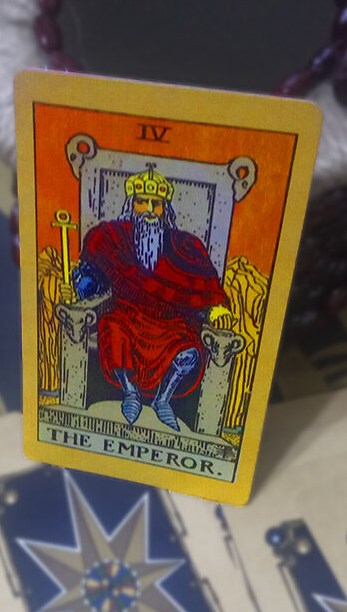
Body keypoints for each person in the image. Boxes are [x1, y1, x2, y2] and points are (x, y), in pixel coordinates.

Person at [70, 165, 231, 431]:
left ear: (165, 209)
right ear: (131, 205)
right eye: (142, 202)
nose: (149, 210)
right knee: (112, 327)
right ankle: (130, 393)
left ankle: (162, 400)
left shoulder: (185, 246)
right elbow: (96, 279)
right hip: (127, 316)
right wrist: (83, 283)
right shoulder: (113, 237)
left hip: (171, 325)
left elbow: (203, 289)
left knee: (190, 351)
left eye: (156, 204)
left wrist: (214, 311)